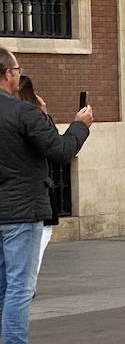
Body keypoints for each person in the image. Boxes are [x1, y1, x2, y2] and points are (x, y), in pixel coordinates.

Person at [0, 48, 92, 344]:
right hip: (21, 211)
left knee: (2, 288)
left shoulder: (26, 113)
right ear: (9, 73)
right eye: (17, 69)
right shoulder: (23, 113)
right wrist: (80, 126)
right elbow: (61, 151)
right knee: (19, 288)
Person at [15, 76, 61, 272]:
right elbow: (57, 149)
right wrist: (43, 116)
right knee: (26, 268)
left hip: (14, 203)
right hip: (31, 203)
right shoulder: (29, 119)